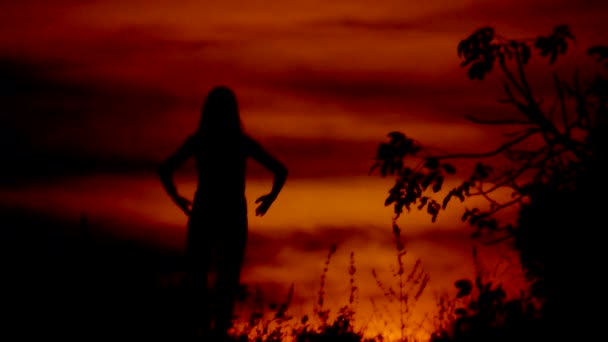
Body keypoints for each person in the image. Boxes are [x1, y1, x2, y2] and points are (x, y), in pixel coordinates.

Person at [158, 86, 288, 341]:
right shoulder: (240, 142)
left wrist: (177, 199)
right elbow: (280, 170)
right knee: (226, 277)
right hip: (231, 212)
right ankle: (217, 332)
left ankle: (205, 331)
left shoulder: (200, 141)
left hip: (205, 210)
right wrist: (270, 199)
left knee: (199, 274)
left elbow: (165, 169)